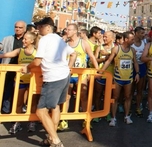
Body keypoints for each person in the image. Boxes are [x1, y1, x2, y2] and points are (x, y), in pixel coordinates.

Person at [24, 17, 76, 147]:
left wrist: (27, 67)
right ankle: (51, 137)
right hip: (64, 76)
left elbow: (37, 61)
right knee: (55, 107)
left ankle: (56, 140)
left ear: (48, 27)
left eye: (40, 26)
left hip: (53, 77)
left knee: (40, 111)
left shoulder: (45, 40)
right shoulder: (59, 39)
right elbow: (73, 53)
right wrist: (69, 66)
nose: (38, 29)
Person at [58, 24, 99, 131]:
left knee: (83, 96)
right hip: (68, 73)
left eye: (69, 30)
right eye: (66, 29)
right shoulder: (65, 43)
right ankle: (63, 120)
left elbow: (92, 56)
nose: (67, 31)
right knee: (66, 97)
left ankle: (86, 120)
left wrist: (97, 70)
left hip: (81, 74)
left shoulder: (83, 43)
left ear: (75, 31)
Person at [0, 31, 38, 133]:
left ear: (32, 40)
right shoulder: (19, 50)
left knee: (32, 102)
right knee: (18, 102)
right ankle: (17, 122)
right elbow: (6, 55)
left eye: (26, 39)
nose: (23, 41)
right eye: (23, 39)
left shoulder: (37, 51)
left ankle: (32, 122)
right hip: (20, 80)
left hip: (33, 80)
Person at [101, 31, 140, 126]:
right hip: (118, 78)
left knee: (128, 97)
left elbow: (135, 62)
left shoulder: (132, 50)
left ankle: (127, 116)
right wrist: (101, 71)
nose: (133, 41)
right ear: (126, 39)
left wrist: (137, 73)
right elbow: (109, 60)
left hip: (129, 78)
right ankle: (113, 118)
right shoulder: (116, 49)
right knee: (115, 98)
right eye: (132, 39)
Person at [1, 20, 26, 113]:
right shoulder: (7, 39)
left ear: (24, 29)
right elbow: (1, 46)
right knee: (3, 89)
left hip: (22, 71)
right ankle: (4, 109)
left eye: (20, 27)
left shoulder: (27, 40)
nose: (18, 29)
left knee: (17, 93)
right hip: (7, 69)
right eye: (16, 27)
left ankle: (14, 112)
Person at [131, 26, 147, 117]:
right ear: (136, 33)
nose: (143, 35)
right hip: (131, 67)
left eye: (144, 33)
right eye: (141, 33)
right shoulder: (131, 43)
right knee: (130, 89)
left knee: (140, 89)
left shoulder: (144, 43)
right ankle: (128, 107)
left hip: (141, 66)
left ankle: (138, 107)